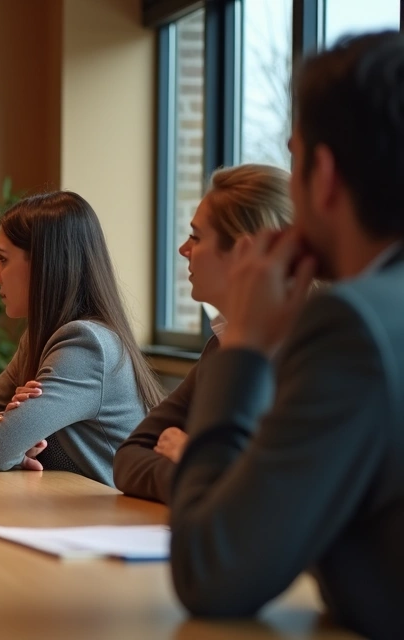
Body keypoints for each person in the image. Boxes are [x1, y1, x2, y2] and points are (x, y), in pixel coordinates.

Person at [170, 32, 404, 639]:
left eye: (294, 158)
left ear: (321, 175)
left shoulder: (353, 325)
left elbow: (210, 571)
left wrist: (245, 345)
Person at [0, 191, 163, 485]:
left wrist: (5, 434)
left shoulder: (86, 345)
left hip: (109, 523)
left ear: (45, 264)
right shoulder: (39, 337)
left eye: (3, 260)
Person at [113, 164, 292, 504]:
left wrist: (194, 458)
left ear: (243, 252)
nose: (183, 249)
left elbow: (262, 497)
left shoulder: (308, 357)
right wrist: (200, 471)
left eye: (196, 236)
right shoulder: (220, 348)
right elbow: (129, 457)